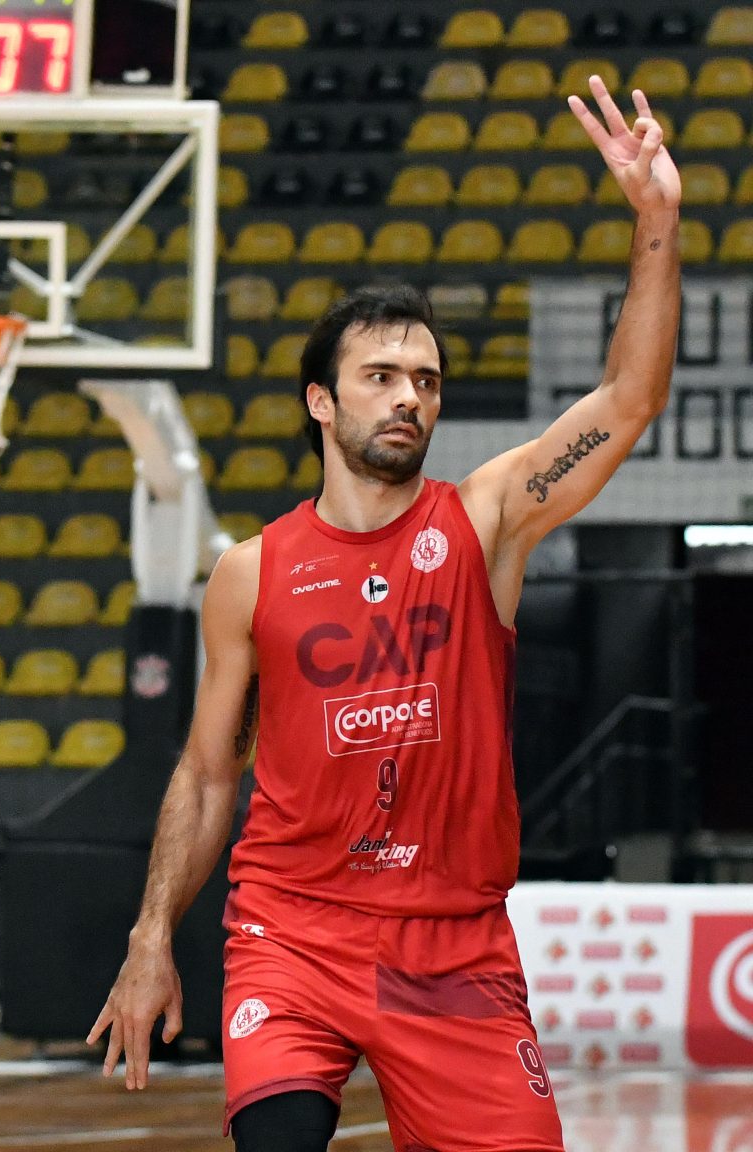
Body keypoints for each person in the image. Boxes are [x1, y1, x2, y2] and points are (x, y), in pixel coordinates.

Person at [87, 77, 681, 1152]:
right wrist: (149, 936)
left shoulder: (486, 521)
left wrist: (655, 223)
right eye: (382, 375)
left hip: (453, 950)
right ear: (322, 401)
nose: (411, 395)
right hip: (291, 936)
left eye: (427, 380)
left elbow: (627, 401)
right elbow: (209, 773)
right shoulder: (250, 572)